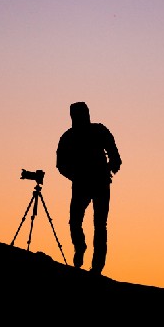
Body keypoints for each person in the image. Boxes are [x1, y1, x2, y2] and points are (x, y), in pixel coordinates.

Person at [56, 101, 122, 275]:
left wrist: (109, 169)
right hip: (82, 185)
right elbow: (60, 165)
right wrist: (76, 175)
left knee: (99, 225)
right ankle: (81, 247)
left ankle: (97, 268)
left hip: (98, 183)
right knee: (77, 222)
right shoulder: (68, 137)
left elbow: (115, 156)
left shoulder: (98, 131)